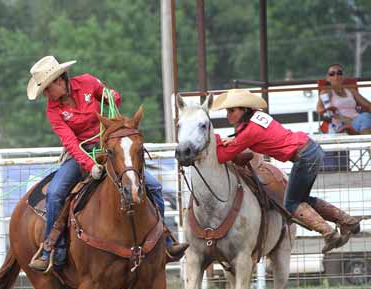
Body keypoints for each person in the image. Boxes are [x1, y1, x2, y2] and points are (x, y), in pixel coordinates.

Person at [25, 55, 188, 272]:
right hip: (81, 154)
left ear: (59, 81)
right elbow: (70, 143)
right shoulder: (53, 110)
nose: (46, 94)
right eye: (44, 90)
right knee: (55, 192)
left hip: (109, 146)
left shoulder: (88, 83)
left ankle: (165, 238)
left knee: (154, 186)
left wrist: (111, 95)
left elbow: (114, 100)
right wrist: (89, 165)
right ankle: (51, 247)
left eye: (47, 88)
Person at [213, 89, 361, 253]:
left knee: (291, 204)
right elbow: (258, 134)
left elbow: (222, 156)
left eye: (231, 110)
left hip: (303, 157)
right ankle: (347, 221)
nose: (228, 115)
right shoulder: (258, 117)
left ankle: (329, 234)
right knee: (301, 200)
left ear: (244, 110)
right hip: (310, 149)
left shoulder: (249, 131)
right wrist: (234, 139)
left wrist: (214, 139)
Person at [316, 63, 371, 134]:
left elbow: (368, 105)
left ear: (343, 76)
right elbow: (319, 109)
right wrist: (328, 110)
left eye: (339, 73)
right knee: (365, 119)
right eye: (332, 74)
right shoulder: (326, 92)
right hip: (341, 122)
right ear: (328, 78)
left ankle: (365, 139)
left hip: (358, 120)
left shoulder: (351, 91)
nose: (336, 76)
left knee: (366, 117)